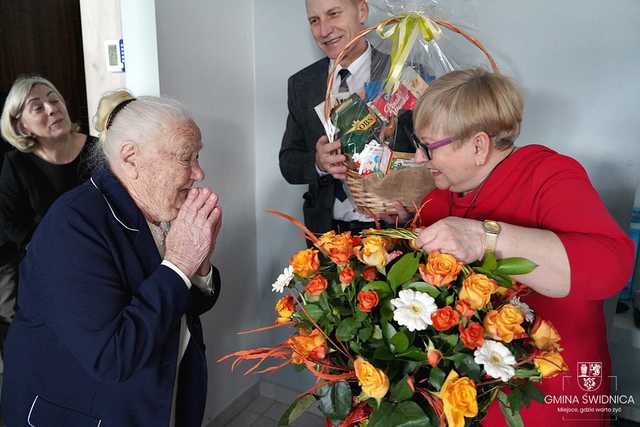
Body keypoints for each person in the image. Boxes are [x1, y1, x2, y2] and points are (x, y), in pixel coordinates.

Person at [405, 68, 633, 425]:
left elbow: (610, 268)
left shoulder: (550, 175)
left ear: (479, 145)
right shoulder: (437, 199)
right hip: (472, 395)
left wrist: (484, 237)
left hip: (550, 394)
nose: (419, 159)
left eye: (427, 146)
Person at [1, 90, 222, 427]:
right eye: (185, 157)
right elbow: (113, 357)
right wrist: (179, 261)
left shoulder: (155, 205)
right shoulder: (73, 226)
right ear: (131, 158)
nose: (198, 173)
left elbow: (184, 302)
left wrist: (199, 262)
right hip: (89, 412)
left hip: (163, 395)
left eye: (197, 157)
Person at [279, 0, 416, 236]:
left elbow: (431, 158)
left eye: (333, 14)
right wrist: (318, 164)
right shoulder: (302, 84)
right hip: (326, 235)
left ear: (362, 11)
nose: (324, 30)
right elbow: (288, 163)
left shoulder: (402, 75)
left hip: (392, 231)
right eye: (314, 20)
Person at [0, 76, 97, 358]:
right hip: (45, 269)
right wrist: (48, 250)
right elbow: (9, 223)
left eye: (54, 99)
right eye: (37, 107)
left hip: (98, 264)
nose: (52, 108)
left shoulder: (98, 151)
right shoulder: (16, 164)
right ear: (21, 125)